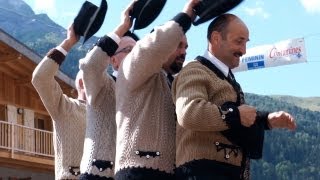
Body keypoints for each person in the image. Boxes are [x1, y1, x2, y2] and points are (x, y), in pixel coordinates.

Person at [172, 13, 297, 179]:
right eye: (239, 41)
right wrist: (235, 114)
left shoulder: (227, 78)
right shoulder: (195, 70)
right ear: (216, 38)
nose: (243, 50)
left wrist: (266, 120)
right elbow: (188, 112)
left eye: (246, 43)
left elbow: (236, 120)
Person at [114, 0, 198, 179]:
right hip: (136, 172)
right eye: (178, 45)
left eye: (186, 47)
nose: (183, 52)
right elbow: (154, 45)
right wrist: (185, 17)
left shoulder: (173, 83)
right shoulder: (133, 68)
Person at [78, 2, 136, 179]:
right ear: (113, 61)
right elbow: (90, 65)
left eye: (138, 52)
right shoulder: (103, 84)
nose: (135, 56)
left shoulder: (145, 92)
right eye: (129, 51)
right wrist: (123, 26)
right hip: (96, 173)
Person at [31, 25, 86, 179]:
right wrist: (68, 42)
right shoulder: (66, 107)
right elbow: (41, 78)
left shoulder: (112, 113)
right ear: (81, 82)